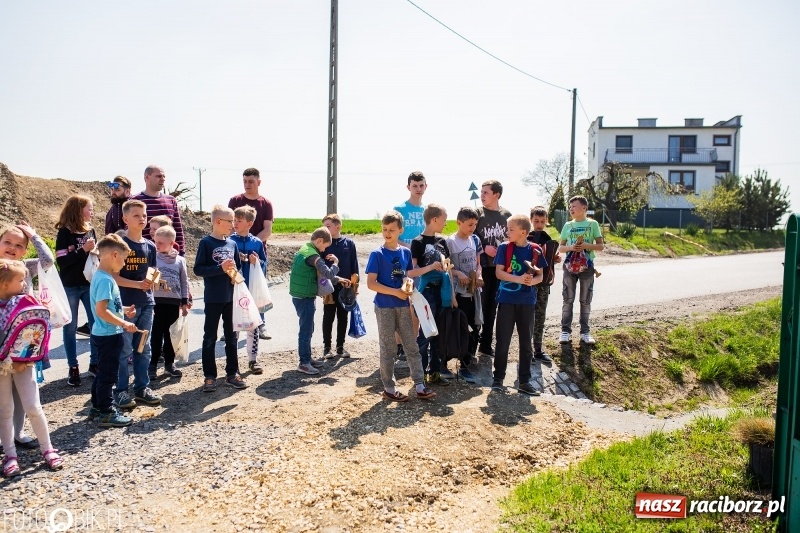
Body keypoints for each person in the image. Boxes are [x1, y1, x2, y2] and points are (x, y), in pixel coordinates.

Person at [0, 259, 63, 477]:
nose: (25, 284)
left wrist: (30, 357)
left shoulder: (26, 301)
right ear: (4, 284)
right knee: (5, 411)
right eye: (20, 280)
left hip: (24, 364)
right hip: (1, 367)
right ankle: (10, 455)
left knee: (34, 407)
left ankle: (47, 449)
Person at [366, 211, 436, 402]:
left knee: (411, 345)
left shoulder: (405, 252)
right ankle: (389, 388)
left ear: (400, 230)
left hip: (404, 306)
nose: (387, 233)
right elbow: (371, 284)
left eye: (391, 230)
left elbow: (405, 275)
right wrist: (395, 292)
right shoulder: (377, 254)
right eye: (384, 229)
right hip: (384, 307)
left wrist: (408, 285)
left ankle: (420, 385)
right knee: (388, 348)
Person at [0, 223, 54, 453]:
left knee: (23, 397)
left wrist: (34, 235)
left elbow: (48, 261)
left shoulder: (26, 268)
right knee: (3, 399)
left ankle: (18, 433)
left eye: (19, 245)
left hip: (23, 345)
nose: (12, 248)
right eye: (7, 242)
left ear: (25, 250)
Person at [491, 215, 547, 395]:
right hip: (506, 301)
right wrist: (518, 278)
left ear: (523, 232)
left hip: (527, 302)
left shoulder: (536, 250)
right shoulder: (504, 248)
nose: (507, 232)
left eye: (511, 229)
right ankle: (498, 379)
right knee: (502, 341)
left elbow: (541, 276)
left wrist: (532, 281)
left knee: (526, 343)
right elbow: (499, 273)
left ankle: (524, 381)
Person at [113, 199, 161, 409]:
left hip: (147, 304)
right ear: (125, 218)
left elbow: (153, 273)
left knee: (144, 347)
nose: (142, 219)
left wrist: (153, 282)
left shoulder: (150, 245)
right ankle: (121, 391)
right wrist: (137, 284)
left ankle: (142, 387)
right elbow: (114, 276)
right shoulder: (119, 245)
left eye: (144, 215)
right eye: (136, 216)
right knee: (124, 349)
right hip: (126, 305)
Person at [194, 205, 247, 392]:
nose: (233, 225)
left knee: (232, 337)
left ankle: (232, 373)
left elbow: (238, 268)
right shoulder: (206, 243)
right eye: (230, 221)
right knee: (210, 337)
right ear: (218, 222)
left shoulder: (232, 244)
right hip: (213, 298)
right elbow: (198, 269)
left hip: (230, 297)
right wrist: (220, 268)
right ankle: (210, 376)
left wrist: (236, 277)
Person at [87, 235, 137, 428]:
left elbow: (108, 306)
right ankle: (106, 411)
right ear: (114, 255)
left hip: (105, 333)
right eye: (123, 259)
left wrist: (124, 310)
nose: (124, 264)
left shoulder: (102, 277)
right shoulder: (106, 280)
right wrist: (124, 323)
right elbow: (101, 311)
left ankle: (96, 407)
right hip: (109, 334)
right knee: (109, 375)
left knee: (102, 373)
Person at [288, 227, 349, 375]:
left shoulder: (305, 250)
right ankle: (303, 363)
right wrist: (336, 263)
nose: (323, 250)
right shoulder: (313, 256)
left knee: (308, 329)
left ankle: (307, 359)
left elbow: (322, 276)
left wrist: (339, 279)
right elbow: (327, 274)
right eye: (324, 246)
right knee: (306, 331)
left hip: (300, 295)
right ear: (319, 241)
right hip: (304, 297)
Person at [410, 204, 460, 384]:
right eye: (445, 219)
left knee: (439, 334)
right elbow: (412, 272)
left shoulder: (443, 241)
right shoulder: (417, 242)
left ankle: (435, 373)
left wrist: (452, 295)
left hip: (443, 292)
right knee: (425, 334)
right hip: (427, 293)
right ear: (435, 219)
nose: (446, 223)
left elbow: (449, 270)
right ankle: (420, 375)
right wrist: (431, 267)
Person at [55, 194, 99, 386]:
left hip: (89, 284)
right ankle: (73, 367)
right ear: (78, 210)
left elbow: (93, 259)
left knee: (96, 324)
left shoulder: (91, 231)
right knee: (70, 327)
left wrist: (95, 251)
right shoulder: (64, 233)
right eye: (89, 208)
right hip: (70, 285)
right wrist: (83, 250)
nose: (92, 212)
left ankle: (95, 364)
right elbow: (63, 262)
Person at [228, 167, 274, 341]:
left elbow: (267, 230)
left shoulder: (266, 204)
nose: (247, 185)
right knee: (234, 291)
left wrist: (252, 243)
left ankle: (260, 325)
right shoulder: (235, 200)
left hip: (257, 255)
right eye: (245, 181)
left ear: (259, 182)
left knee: (257, 290)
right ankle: (233, 326)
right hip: (235, 253)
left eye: (251, 181)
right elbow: (229, 226)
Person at [558, 195, 604, 345]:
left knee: (585, 300)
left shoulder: (593, 224)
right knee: (568, 299)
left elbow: (600, 246)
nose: (571, 209)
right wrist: (571, 247)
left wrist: (586, 246)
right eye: (570, 207)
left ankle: (585, 332)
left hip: (587, 266)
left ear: (584, 208)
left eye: (574, 206)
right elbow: (560, 247)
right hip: (569, 267)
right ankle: (565, 331)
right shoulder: (567, 226)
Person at [392, 171, 428, 361]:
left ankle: (412, 344)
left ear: (426, 186)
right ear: (408, 187)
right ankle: (399, 346)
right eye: (415, 186)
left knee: (417, 305)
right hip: (404, 263)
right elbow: (393, 234)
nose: (418, 189)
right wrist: (412, 249)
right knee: (403, 305)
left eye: (421, 185)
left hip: (421, 266)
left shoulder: (427, 211)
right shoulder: (399, 209)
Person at [445, 207, 484, 377]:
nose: (472, 228)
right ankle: (446, 360)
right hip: (457, 292)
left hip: (472, 292)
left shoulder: (474, 239)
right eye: (469, 224)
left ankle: (466, 362)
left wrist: (479, 276)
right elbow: (446, 268)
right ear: (459, 223)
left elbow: (478, 264)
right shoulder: (450, 242)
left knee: (473, 326)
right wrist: (458, 273)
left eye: (475, 224)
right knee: (456, 326)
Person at [475, 180, 512, 358]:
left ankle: (486, 344)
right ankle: (471, 344)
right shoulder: (477, 214)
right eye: (481, 192)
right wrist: (484, 247)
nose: (482, 195)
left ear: (496, 195)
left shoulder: (507, 215)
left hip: (499, 267)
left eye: (486, 192)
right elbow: (468, 235)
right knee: (479, 305)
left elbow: (513, 238)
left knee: (492, 307)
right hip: (481, 267)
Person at [230, 206, 268, 375]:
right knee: (234, 328)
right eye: (234, 220)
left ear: (249, 224)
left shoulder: (257, 243)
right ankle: (233, 363)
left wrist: (256, 262)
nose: (235, 223)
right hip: (233, 290)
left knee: (253, 326)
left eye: (239, 221)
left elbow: (264, 266)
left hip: (250, 290)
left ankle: (253, 360)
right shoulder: (229, 241)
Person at [149, 225, 189, 380]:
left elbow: (184, 281)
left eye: (161, 243)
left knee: (171, 334)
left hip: (173, 302)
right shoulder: (154, 257)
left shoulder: (180, 260)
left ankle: (170, 364)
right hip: (156, 301)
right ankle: (152, 364)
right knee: (157, 333)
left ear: (172, 243)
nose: (157, 245)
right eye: (156, 242)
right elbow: (149, 278)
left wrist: (184, 302)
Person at [321, 214, 359, 359]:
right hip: (329, 287)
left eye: (328, 226)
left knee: (343, 317)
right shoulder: (323, 244)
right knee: (328, 317)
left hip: (346, 287)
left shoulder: (349, 243)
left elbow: (354, 266)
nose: (325, 229)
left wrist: (355, 287)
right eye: (323, 226)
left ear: (338, 227)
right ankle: (326, 348)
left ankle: (340, 347)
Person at [527, 206, 561, 364]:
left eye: (542, 221)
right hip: (529, 283)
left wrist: (555, 259)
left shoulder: (548, 239)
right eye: (536, 221)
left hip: (544, 283)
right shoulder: (527, 237)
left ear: (547, 221)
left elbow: (550, 259)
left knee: (540, 315)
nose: (539, 224)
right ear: (531, 221)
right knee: (527, 316)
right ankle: (526, 350)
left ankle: (538, 349)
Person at [132, 165, 185, 256]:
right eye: (159, 176)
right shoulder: (135, 201)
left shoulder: (171, 201)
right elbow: (130, 228)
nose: (163, 179)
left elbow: (178, 230)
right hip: (143, 256)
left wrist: (181, 254)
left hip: (168, 257)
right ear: (147, 177)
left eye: (164, 176)